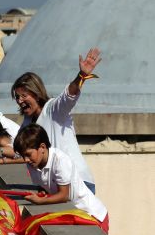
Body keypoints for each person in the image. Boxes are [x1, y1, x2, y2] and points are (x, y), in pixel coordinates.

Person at [11, 48, 101, 193]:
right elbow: (18, 150)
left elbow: (69, 95)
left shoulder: (53, 110)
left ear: (36, 94)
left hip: (76, 182)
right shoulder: (28, 122)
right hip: (55, 187)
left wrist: (81, 76)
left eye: (24, 96)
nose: (20, 101)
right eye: (17, 97)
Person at [13, 124, 108, 232]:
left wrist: (40, 201)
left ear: (42, 147)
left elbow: (64, 195)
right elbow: (45, 188)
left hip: (92, 214)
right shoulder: (32, 164)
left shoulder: (60, 160)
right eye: (23, 155)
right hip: (74, 213)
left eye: (28, 154)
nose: (25, 160)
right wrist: (43, 194)